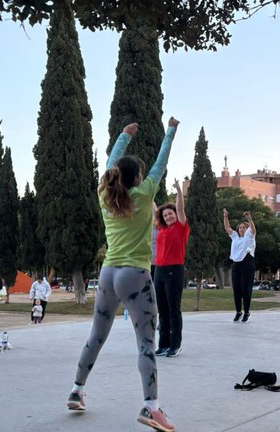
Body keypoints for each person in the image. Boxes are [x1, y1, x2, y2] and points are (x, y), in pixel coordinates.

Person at [67, 117, 179, 432]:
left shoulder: (105, 194)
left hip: (108, 274)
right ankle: (151, 407)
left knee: (96, 335)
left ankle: (76, 390)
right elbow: (161, 162)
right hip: (135, 276)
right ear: (138, 177)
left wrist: (123, 136)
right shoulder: (144, 194)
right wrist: (170, 130)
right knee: (146, 343)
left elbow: (109, 165)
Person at [153, 178, 190, 358]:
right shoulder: (161, 229)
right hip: (159, 270)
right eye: (166, 215)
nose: (168, 216)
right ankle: (163, 345)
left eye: (170, 214)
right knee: (162, 309)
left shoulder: (181, 227)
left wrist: (179, 192)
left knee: (173, 308)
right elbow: (155, 211)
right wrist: (148, 194)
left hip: (174, 270)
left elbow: (180, 208)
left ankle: (175, 345)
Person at [224, 209, 256, 323]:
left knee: (245, 289)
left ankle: (246, 312)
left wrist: (249, 218)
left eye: (244, 227)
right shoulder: (235, 237)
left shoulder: (249, 236)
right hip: (236, 265)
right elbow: (227, 228)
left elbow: (253, 229)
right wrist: (225, 217)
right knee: (236, 290)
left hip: (247, 263)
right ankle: (238, 312)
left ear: (247, 229)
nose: (242, 229)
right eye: (240, 227)